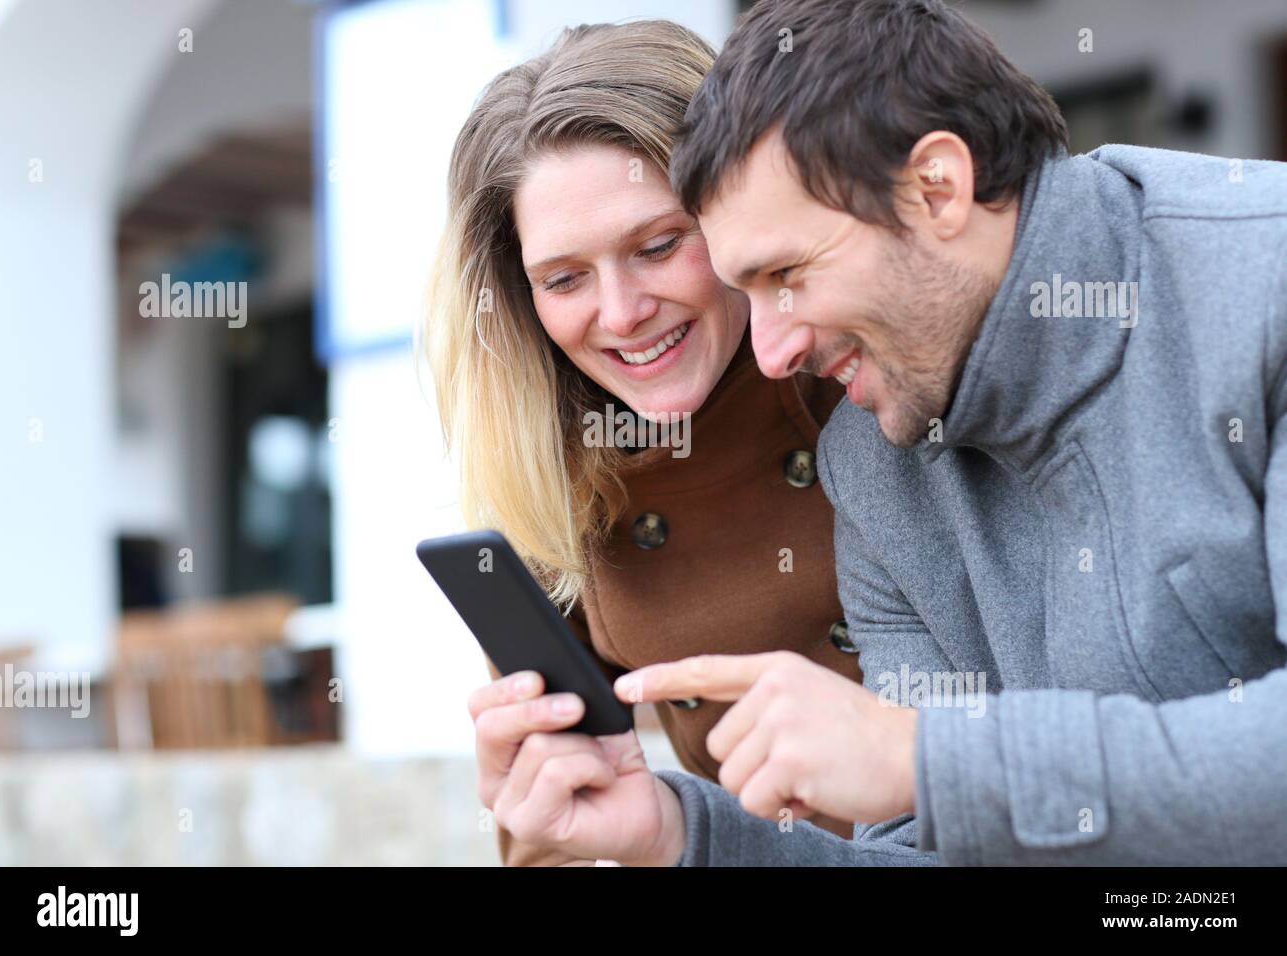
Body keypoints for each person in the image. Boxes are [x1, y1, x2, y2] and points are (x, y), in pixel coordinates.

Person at [617, 0, 1287, 865]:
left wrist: (927, 758)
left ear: (937, 188)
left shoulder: (1265, 286)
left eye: (786, 273)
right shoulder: (870, 468)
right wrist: (686, 840)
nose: (773, 353)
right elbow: (922, 849)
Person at [424, 19, 853, 866]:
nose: (620, 314)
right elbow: (551, 842)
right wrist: (550, 797)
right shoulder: (555, 484)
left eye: (658, 246)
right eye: (565, 279)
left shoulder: (867, 374)